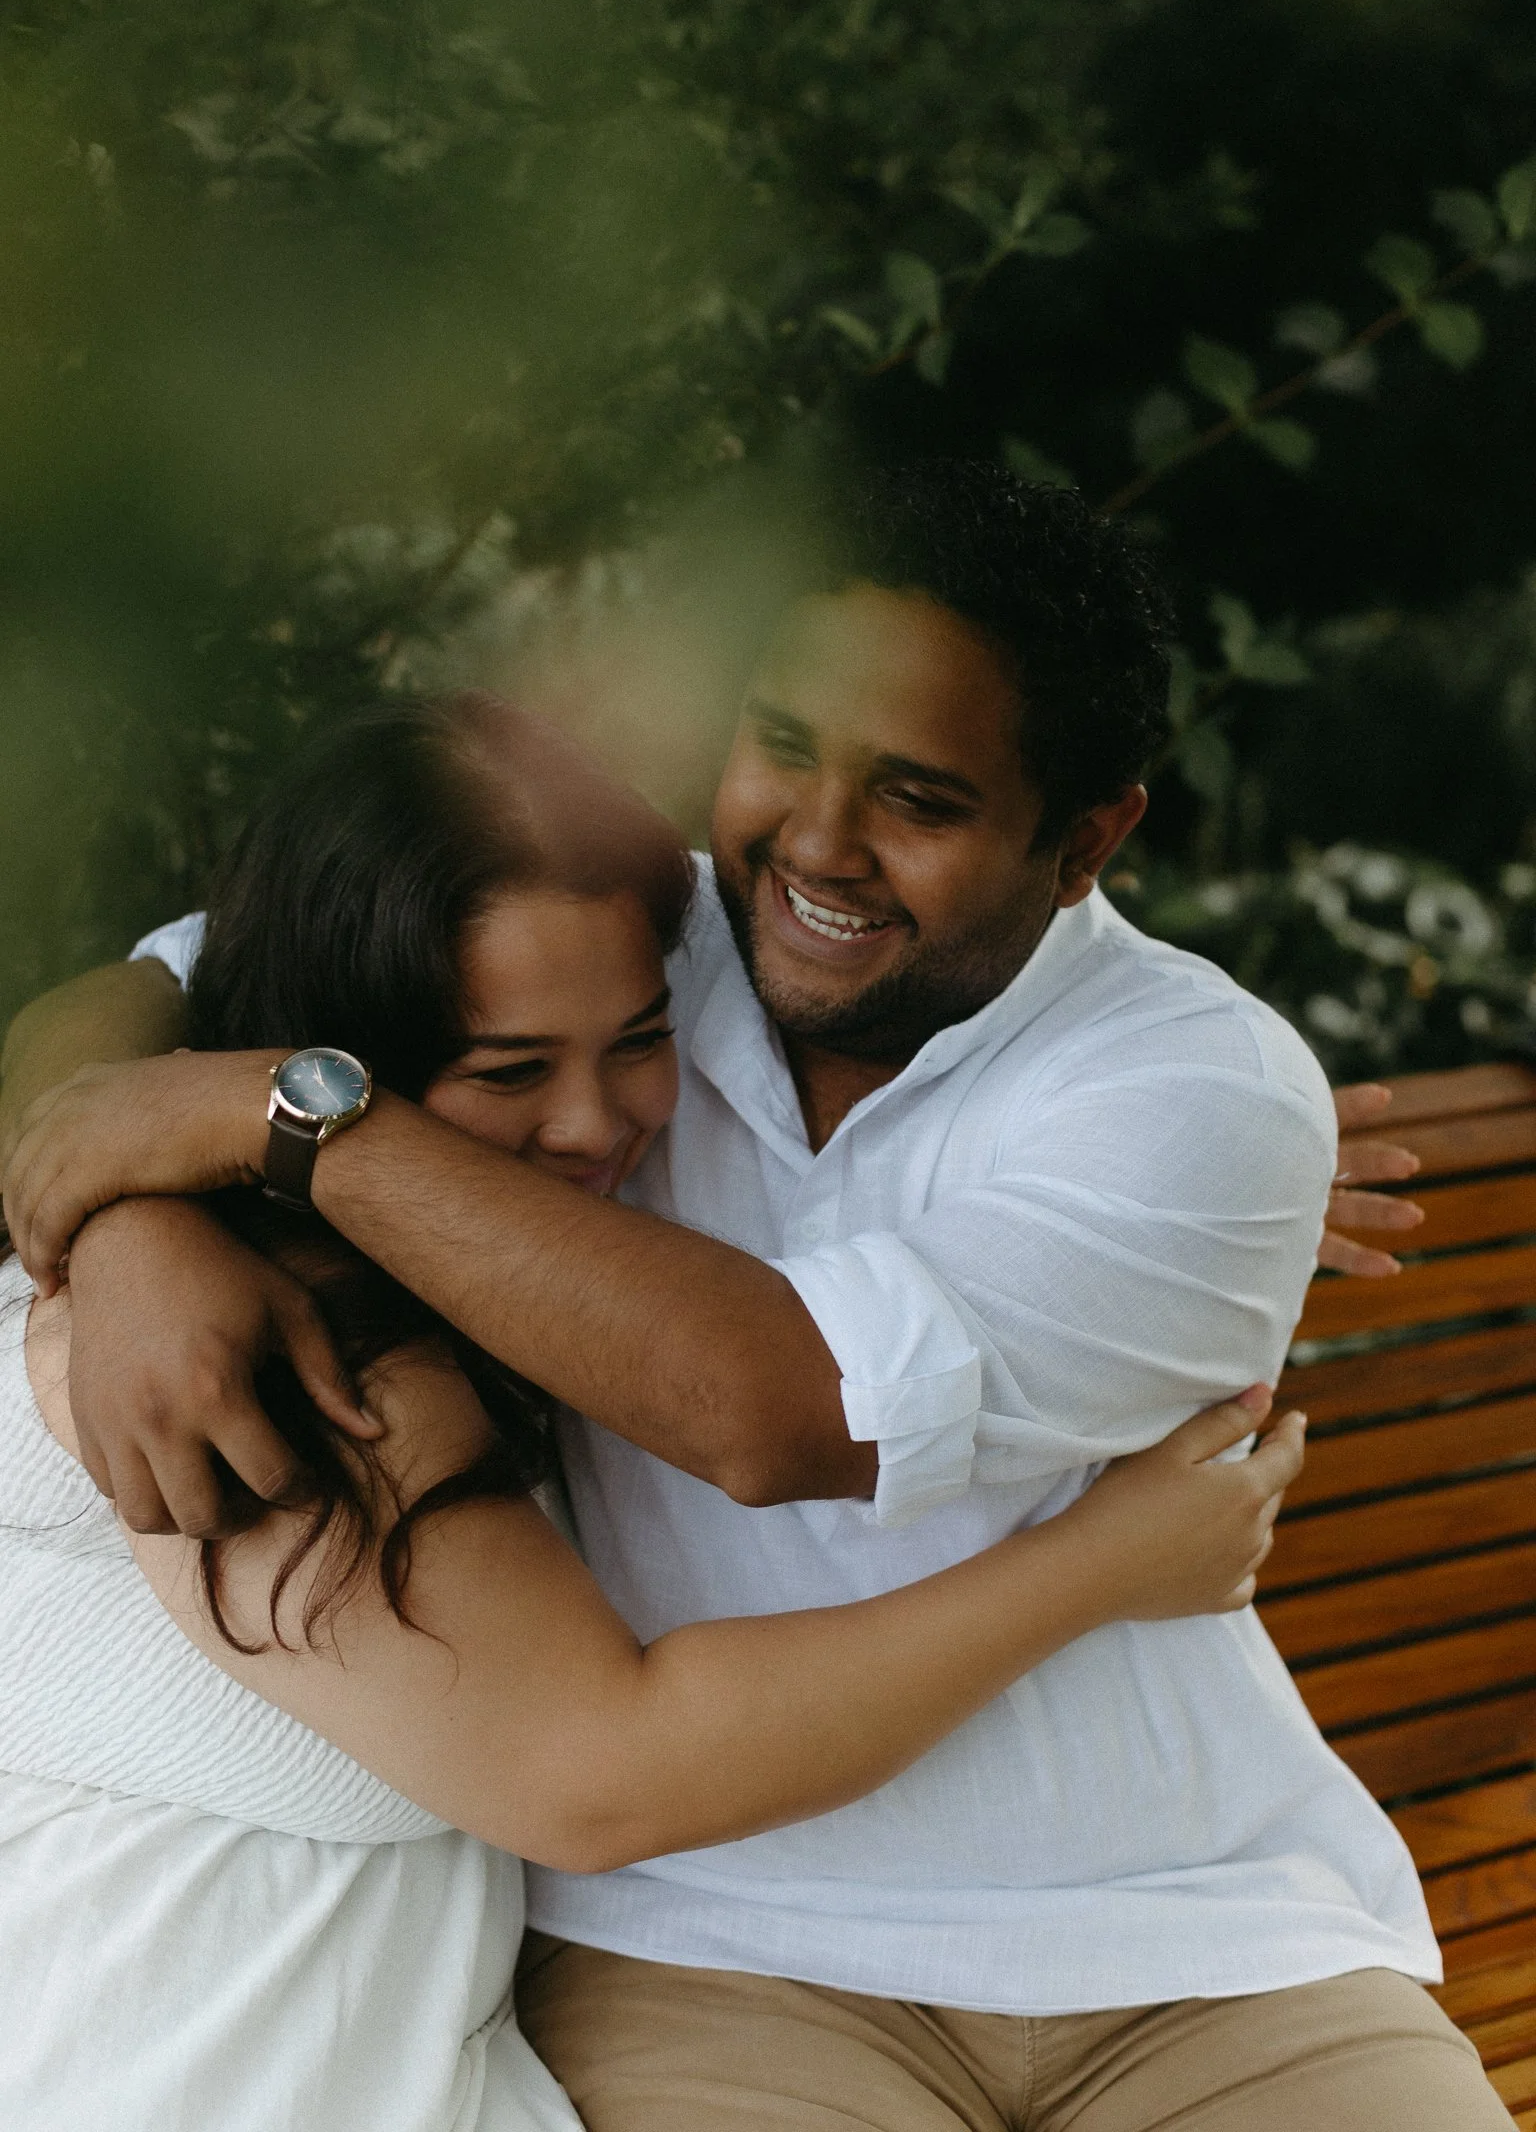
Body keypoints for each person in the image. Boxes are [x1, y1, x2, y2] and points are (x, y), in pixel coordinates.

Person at [4, 464, 1509, 2129]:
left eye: (918, 799)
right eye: (783, 743)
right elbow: (146, 1000)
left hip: (1196, 1934)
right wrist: (138, 1225)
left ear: (1086, 841)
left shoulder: (1190, 1089)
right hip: (710, 1934)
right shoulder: (632, 943)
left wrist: (271, 1123)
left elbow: (768, 1409)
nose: (816, 841)